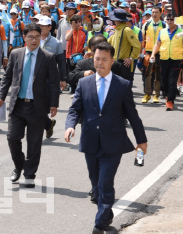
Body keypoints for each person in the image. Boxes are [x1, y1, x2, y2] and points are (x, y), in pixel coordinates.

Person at [65, 42, 147, 234]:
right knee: (96, 185)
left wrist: (141, 141)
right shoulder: (84, 83)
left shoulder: (122, 85)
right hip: (90, 141)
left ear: (111, 61)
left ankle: (99, 225)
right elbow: (75, 109)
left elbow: (132, 115)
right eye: (96, 59)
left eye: (104, 59)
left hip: (114, 143)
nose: (99, 63)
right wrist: (70, 126)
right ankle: (107, 214)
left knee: (105, 183)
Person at [0, 23, 60, 188]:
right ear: (24, 37)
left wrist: (54, 104)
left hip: (37, 107)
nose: (34, 40)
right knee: (12, 138)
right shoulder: (16, 54)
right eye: (30, 37)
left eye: (37, 37)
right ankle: (18, 165)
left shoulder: (47, 57)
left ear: (41, 38)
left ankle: (30, 174)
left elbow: (53, 83)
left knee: (34, 143)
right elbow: (8, 77)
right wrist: (1, 96)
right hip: (17, 105)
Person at [150, 12, 183, 111]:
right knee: (164, 81)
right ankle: (167, 95)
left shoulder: (181, 32)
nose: (170, 21)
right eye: (168, 19)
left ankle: (170, 101)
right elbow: (157, 44)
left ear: (176, 20)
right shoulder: (162, 32)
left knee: (172, 81)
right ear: (165, 20)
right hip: (164, 59)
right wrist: (153, 54)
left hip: (176, 60)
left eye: (172, 19)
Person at [106, 9, 141, 83]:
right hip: (116, 63)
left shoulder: (126, 30)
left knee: (125, 88)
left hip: (124, 64)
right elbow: (108, 42)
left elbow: (137, 45)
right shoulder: (117, 30)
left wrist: (131, 58)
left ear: (117, 20)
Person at [141, 6, 165, 104]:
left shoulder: (164, 25)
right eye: (153, 12)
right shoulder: (146, 24)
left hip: (160, 52)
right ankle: (147, 94)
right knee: (147, 73)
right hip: (148, 52)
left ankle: (156, 94)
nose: (154, 14)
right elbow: (142, 39)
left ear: (160, 13)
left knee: (158, 74)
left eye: (156, 12)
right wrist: (141, 52)